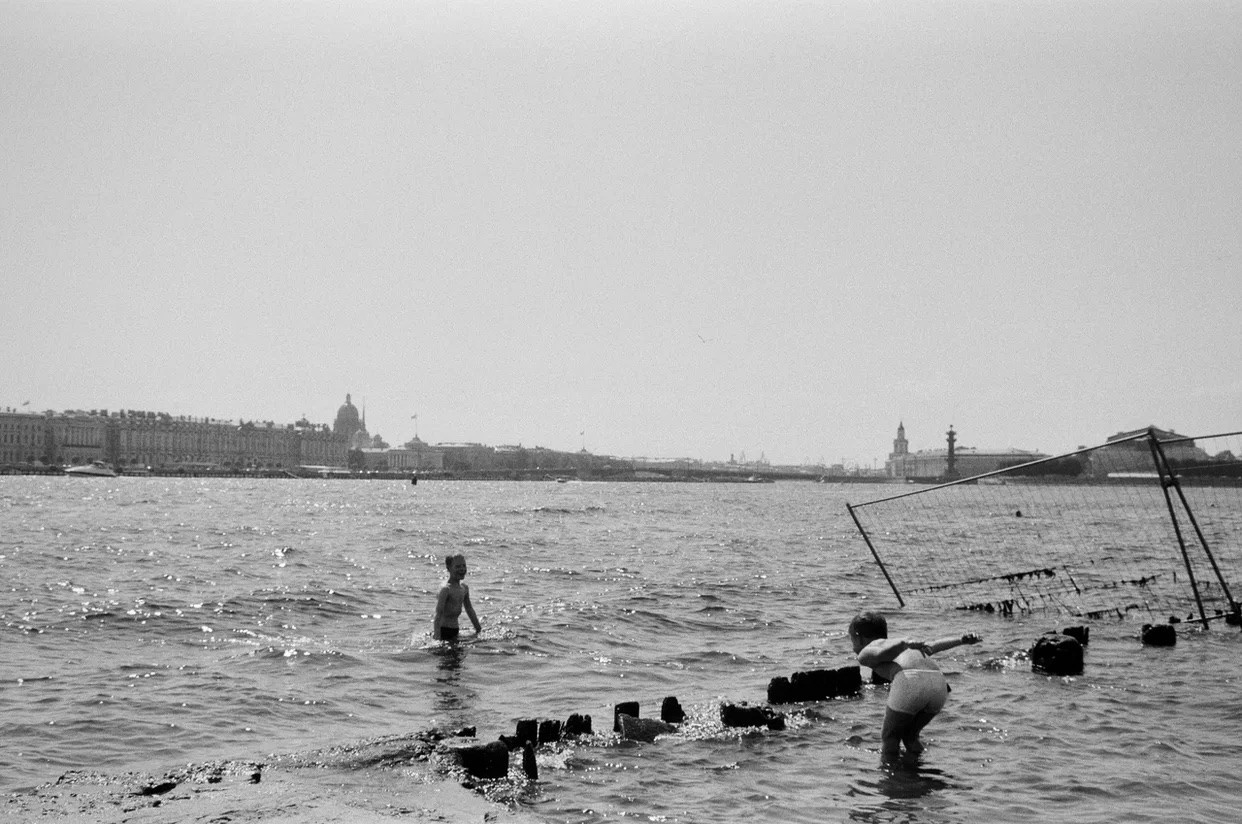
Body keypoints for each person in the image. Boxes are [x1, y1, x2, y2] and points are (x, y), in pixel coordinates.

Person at [848, 610, 981, 758]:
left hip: (911, 680)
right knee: (910, 736)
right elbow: (933, 646)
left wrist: (902, 645)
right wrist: (961, 640)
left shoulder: (867, 651)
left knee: (890, 737)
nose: (852, 645)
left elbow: (882, 655)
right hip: (938, 684)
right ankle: (916, 772)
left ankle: (893, 780)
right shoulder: (906, 644)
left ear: (858, 638)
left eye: (851, 639)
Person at [432, 554, 481, 641]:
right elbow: (438, 614)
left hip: (455, 631)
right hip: (443, 631)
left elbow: (469, 609)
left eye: (464, 565)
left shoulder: (464, 588)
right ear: (449, 568)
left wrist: (478, 629)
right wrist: (437, 637)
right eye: (457, 566)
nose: (462, 569)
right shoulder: (446, 590)